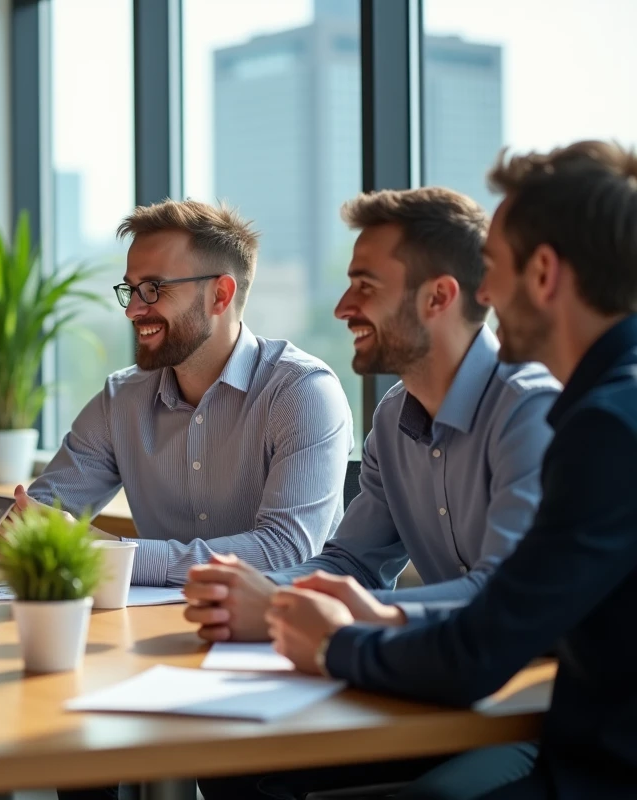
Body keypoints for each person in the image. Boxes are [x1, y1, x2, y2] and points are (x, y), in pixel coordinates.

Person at [268, 141, 637, 799]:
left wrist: (337, 643)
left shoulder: (606, 428)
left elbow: (484, 645)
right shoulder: (609, 407)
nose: (484, 294)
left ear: (545, 273)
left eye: (493, 269)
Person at [185, 187, 559, 798]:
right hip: (433, 686)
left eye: (366, 285)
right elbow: (352, 562)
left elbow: (500, 592)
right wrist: (252, 592)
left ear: (439, 296)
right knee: (239, 765)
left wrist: (282, 609)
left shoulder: (529, 409)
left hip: (529, 704)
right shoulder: (393, 416)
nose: (341, 307)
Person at [19, 199, 353, 588]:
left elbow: (285, 550)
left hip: (278, 636)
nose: (132, 311)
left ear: (220, 296)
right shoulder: (121, 400)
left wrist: (108, 555)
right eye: (131, 290)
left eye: (153, 289)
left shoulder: (302, 393)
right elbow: (40, 515)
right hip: (153, 630)